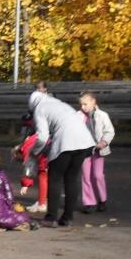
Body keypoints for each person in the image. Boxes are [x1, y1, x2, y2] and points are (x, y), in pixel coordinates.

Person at [28, 91, 95, 227]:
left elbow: (42, 137)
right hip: (84, 142)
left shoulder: (39, 108)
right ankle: (67, 217)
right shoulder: (60, 104)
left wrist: (33, 152)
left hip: (66, 142)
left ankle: (51, 218)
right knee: (71, 178)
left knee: (55, 178)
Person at [79, 91, 115, 213]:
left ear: (93, 102)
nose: (83, 107)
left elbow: (109, 131)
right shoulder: (78, 116)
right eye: (81, 104)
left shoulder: (102, 115)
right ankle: (89, 202)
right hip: (85, 150)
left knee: (98, 175)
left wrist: (104, 142)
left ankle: (102, 199)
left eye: (85, 104)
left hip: (98, 150)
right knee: (86, 176)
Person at [13, 114, 49, 214]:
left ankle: (42, 203)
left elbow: (29, 169)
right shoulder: (30, 139)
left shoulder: (26, 149)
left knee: (42, 176)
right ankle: (43, 200)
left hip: (45, 158)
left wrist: (25, 185)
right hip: (52, 151)